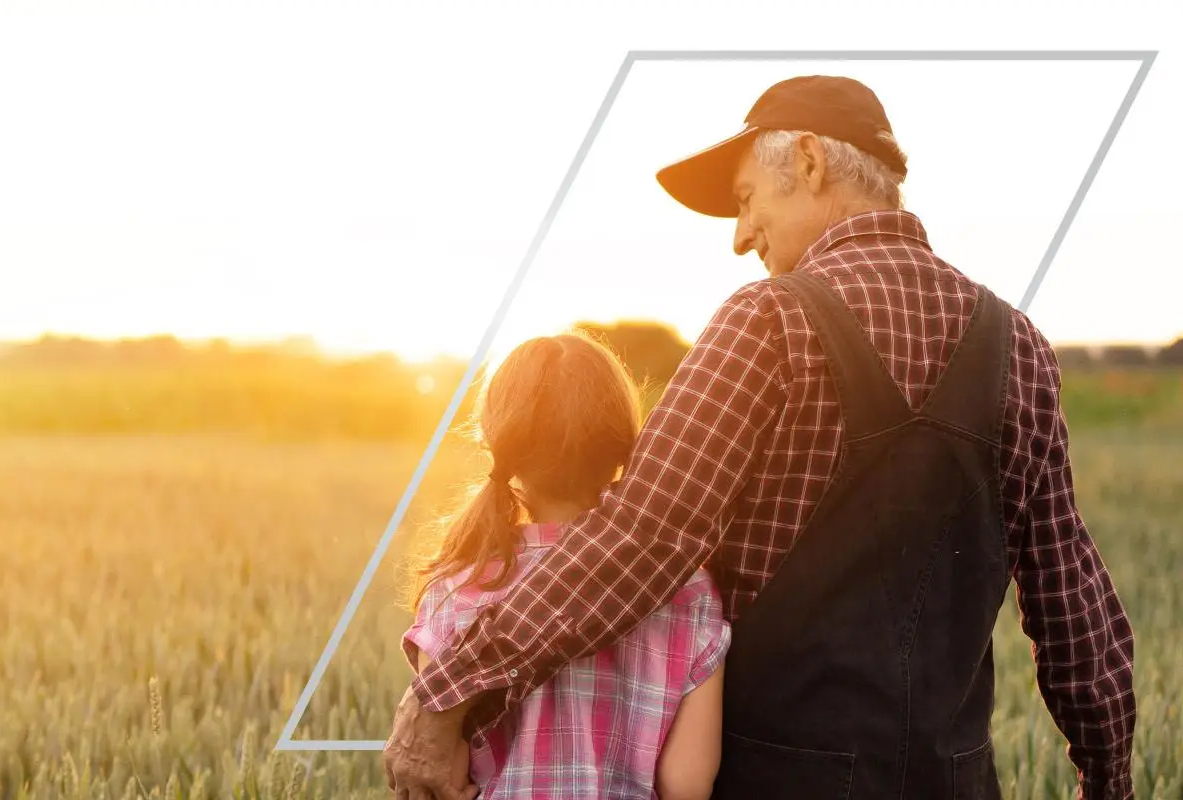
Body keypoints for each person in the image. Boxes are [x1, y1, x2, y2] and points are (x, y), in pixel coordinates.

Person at [383, 75, 1137, 800]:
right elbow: (1075, 610)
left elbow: (642, 537)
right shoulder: (1021, 349)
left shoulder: (766, 324)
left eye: (746, 201)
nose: (743, 238)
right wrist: (1108, 783)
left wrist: (450, 688)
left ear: (808, 162)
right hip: (957, 783)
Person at [400, 331, 729, 800]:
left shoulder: (457, 588)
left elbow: (443, 775)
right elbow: (687, 785)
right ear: (625, 444)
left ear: (499, 443)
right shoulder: (687, 589)